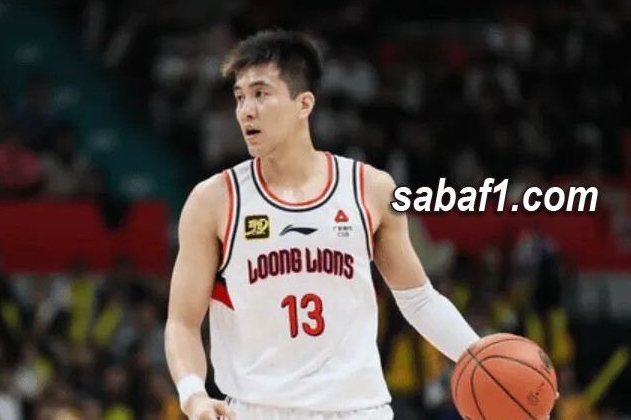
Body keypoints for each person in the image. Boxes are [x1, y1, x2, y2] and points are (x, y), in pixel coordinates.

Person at [164, 29, 481, 420]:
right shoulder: (214, 201)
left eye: (261, 94)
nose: (246, 110)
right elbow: (182, 321)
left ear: (304, 104)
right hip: (256, 411)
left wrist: (480, 357)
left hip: (357, 411)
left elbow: (418, 300)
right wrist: (193, 395)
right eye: (240, 97)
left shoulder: (370, 189)